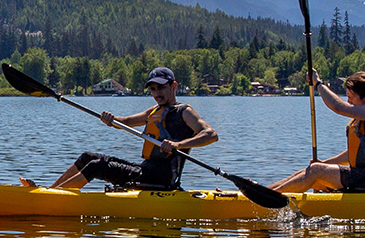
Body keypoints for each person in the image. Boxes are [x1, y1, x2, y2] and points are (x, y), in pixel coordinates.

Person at [24, 67, 219, 190]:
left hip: (161, 180)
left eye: (160, 88)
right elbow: (124, 121)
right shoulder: (154, 111)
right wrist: (111, 119)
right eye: (152, 89)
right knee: (87, 157)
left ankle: (52, 197)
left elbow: (211, 134)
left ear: (173, 85)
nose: (156, 93)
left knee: (98, 166)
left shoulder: (185, 112)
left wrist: (178, 144)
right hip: (145, 171)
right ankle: (49, 191)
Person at [269, 70, 365, 193]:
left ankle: (268, 201)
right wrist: (325, 163)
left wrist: (318, 83)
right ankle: (264, 193)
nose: (348, 102)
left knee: (316, 171)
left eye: (351, 98)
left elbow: (338, 107)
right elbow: (352, 153)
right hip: (364, 176)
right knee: (309, 171)